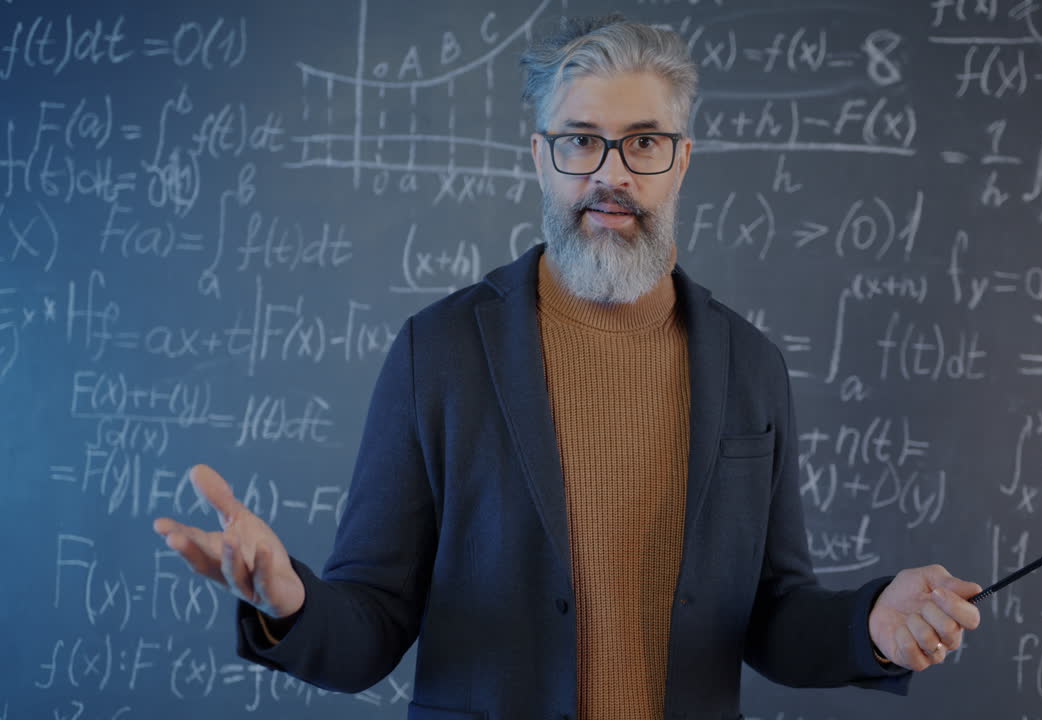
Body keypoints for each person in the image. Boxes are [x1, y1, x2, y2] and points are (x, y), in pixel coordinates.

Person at [153, 14, 982, 720]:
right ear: (541, 157)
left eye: (644, 142)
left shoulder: (750, 366)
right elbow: (370, 623)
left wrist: (871, 621)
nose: (611, 174)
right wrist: (289, 601)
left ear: (682, 160)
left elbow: (773, 615)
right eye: (581, 140)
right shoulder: (436, 352)